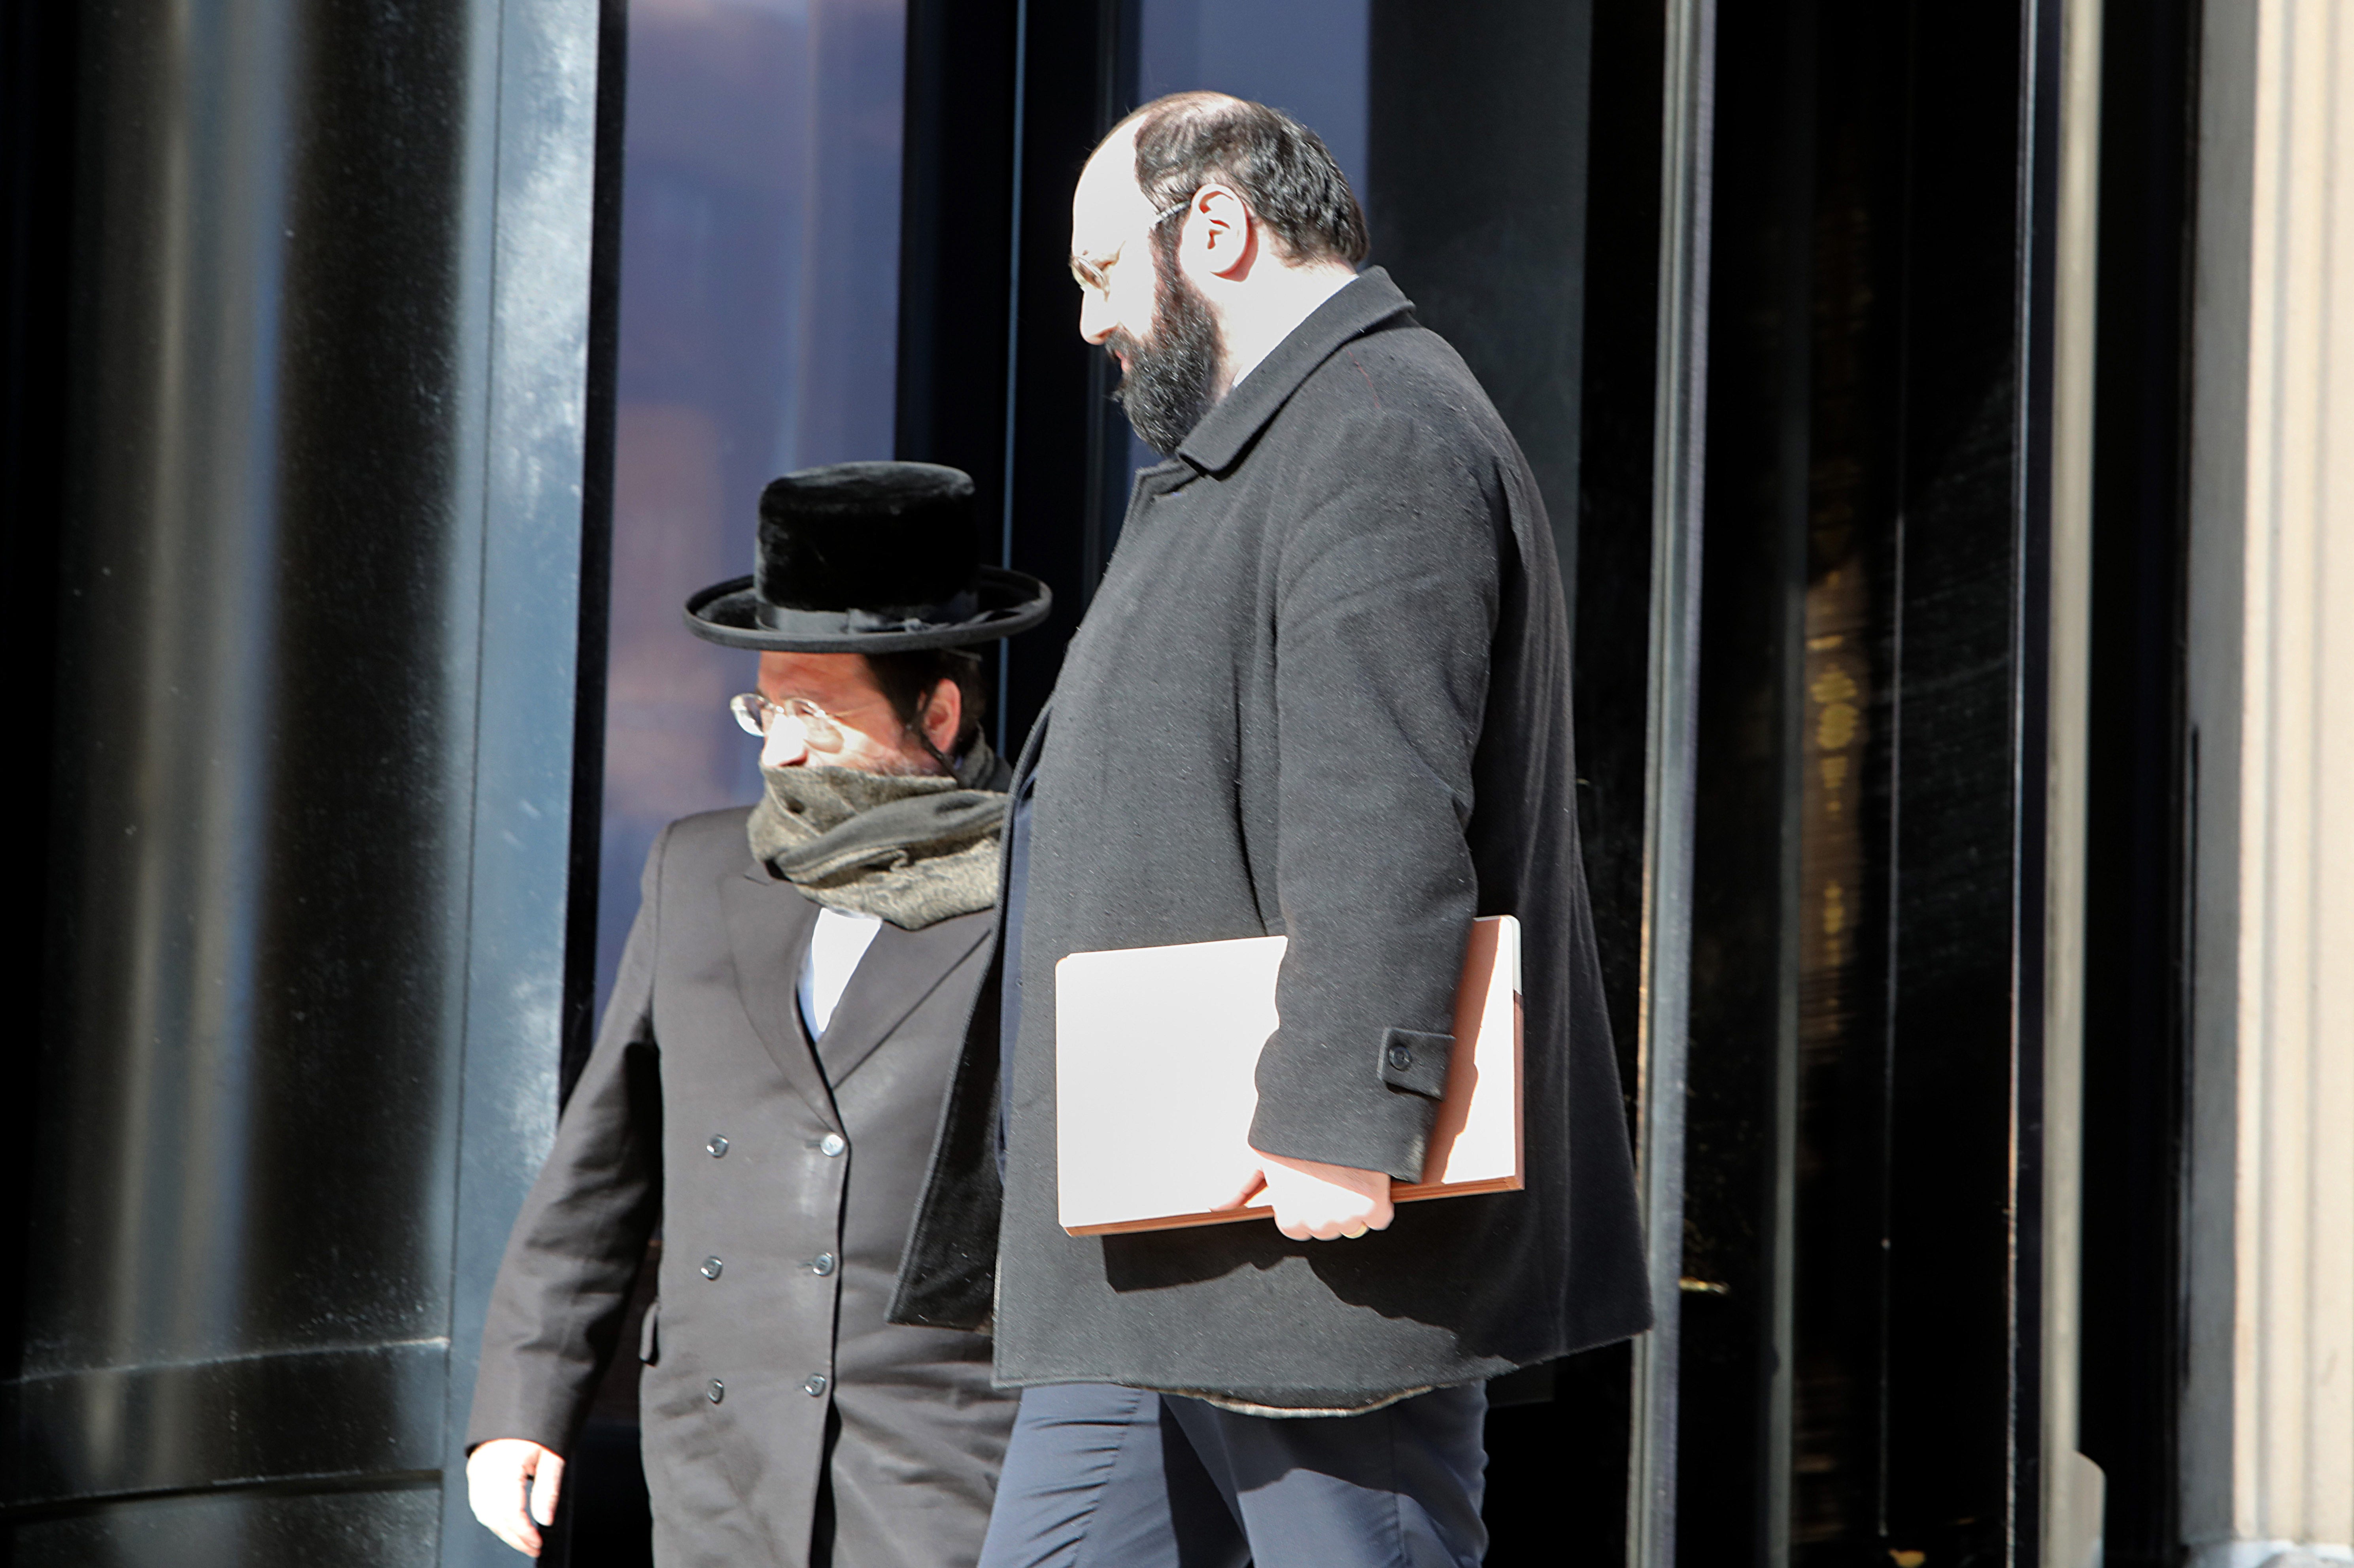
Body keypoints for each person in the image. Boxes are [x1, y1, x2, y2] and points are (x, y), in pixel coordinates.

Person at [888, 94, 1653, 1567]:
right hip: (1153, 1232)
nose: (1090, 322)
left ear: (1217, 230)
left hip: (1293, 1235)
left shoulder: (1374, 429)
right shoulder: (1274, 447)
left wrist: (1337, 1124)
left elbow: (1384, 806)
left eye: (1101, 272)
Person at [465, 462, 1050, 1568]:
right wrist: (521, 1404)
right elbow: (602, 1162)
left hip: (946, 1456)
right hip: (717, 1455)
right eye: (766, 708)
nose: (779, 750)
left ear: (938, 709)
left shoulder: (1053, 884)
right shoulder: (694, 870)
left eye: (816, 717)